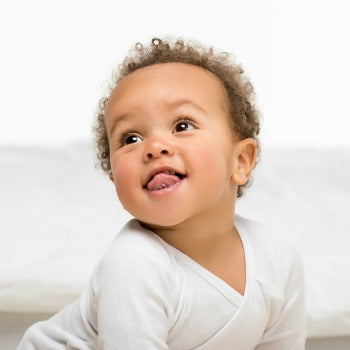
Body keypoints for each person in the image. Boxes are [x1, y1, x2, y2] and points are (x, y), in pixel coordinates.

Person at [17, 36, 306, 349]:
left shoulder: (277, 256)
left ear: (240, 161)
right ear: (114, 180)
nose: (154, 147)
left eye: (182, 126)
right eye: (130, 138)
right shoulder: (135, 262)